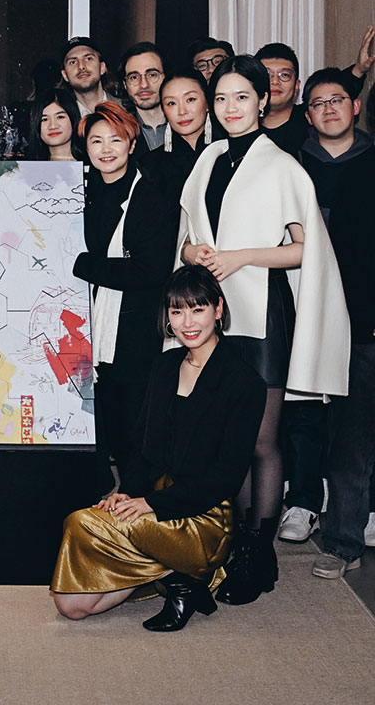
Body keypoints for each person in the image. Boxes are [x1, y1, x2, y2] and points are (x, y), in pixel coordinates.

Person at [178, 55, 350, 604]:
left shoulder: (282, 165)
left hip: (262, 316)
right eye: (221, 98)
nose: (230, 107)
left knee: (261, 440)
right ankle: (236, 546)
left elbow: (307, 247)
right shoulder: (207, 159)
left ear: (262, 100)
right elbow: (186, 238)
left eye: (241, 97)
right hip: (213, 318)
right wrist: (194, 253)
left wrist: (243, 256)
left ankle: (260, 552)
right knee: (228, 439)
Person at [51, 266, 266, 632]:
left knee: (80, 521)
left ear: (218, 309)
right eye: (177, 310)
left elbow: (226, 479)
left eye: (197, 309)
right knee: (72, 606)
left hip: (204, 517)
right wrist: (128, 492)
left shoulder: (244, 382)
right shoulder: (164, 366)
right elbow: (144, 449)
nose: (187, 322)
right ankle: (176, 576)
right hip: (155, 508)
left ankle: (190, 571)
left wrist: (151, 503)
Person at [276, 68, 375, 543]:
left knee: (358, 420)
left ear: (355, 106)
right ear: (307, 115)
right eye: (318, 103)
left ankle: (359, 513)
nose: (329, 109)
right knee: (305, 411)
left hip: (364, 314)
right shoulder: (292, 167)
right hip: (304, 309)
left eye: (337, 100)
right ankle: (304, 501)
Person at [72, 103, 177, 493]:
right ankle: (101, 498)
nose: (106, 149)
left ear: (132, 144)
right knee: (96, 423)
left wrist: (86, 266)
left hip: (134, 331)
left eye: (115, 140)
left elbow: (151, 271)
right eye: (96, 141)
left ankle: (134, 503)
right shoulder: (81, 195)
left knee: (133, 426)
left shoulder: (149, 196)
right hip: (88, 324)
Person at [314, 142, 375, 578]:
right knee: (351, 442)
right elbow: (345, 258)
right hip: (366, 331)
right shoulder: (360, 173)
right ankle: (342, 543)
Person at [255, 27, 373, 155]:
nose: (274, 81)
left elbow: (332, 90)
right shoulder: (243, 123)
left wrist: (359, 69)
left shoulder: (313, 117)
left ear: (297, 86)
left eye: (284, 75)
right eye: (267, 74)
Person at [138, 69, 213, 202]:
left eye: (190, 99)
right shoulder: (149, 166)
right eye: (171, 103)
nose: (182, 111)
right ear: (164, 110)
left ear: (207, 103)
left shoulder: (228, 151)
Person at [118, 42, 166, 155]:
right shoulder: (118, 132)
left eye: (152, 75)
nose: (144, 85)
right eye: (134, 77)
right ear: (125, 85)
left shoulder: (187, 124)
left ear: (166, 77)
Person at [60, 38, 119, 117]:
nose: (81, 66)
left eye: (88, 59)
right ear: (65, 75)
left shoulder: (127, 109)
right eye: (73, 62)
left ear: (102, 67)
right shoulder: (63, 119)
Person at [25, 87, 83, 162]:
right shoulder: (27, 166)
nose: (52, 126)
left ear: (73, 118)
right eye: (45, 119)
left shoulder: (92, 164)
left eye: (60, 117)